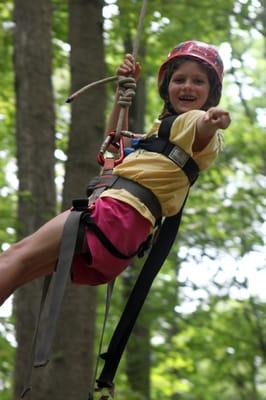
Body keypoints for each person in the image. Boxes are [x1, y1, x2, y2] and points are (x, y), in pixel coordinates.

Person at [0, 40, 231, 306]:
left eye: (198, 81)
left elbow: (202, 127)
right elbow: (113, 147)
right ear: (167, 86)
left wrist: (212, 120)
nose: (187, 86)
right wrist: (121, 95)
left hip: (115, 215)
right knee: (18, 271)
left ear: (211, 92)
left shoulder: (192, 123)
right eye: (179, 79)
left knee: (12, 259)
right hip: (124, 233)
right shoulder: (161, 140)